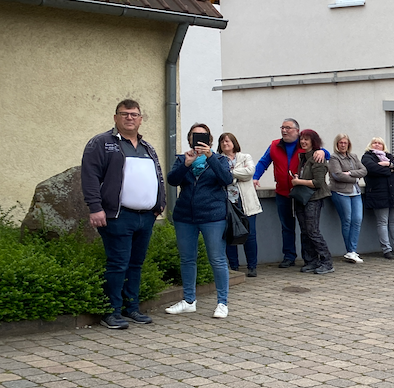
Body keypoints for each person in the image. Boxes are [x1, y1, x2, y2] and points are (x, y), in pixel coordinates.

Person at [81, 99, 166, 329]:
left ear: (140, 119)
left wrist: (160, 203)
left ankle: (132, 308)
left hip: (145, 217)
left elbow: (157, 176)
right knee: (118, 264)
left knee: (136, 264)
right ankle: (112, 312)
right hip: (117, 216)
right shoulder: (101, 143)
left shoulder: (147, 147)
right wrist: (95, 208)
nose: (130, 117)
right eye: (124, 113)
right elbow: (89, 177)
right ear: (115, 118)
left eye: (134, 114)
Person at [165, 123, 233, 317]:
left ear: (210, 140)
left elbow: (226, 179)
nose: (199, 140)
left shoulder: (219, 158)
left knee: (217, 259)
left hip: (213, 216)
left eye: (203, 137)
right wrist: (186, 164)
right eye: (195, 137)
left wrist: (210, 157)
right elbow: (172, 180)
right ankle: (188, 300)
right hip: (185, 216)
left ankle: (222, 303)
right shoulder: (182, 159)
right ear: (189, 140)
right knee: (187, 259)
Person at [252, 118, 327, 268]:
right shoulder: (274, 145)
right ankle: (289, 256)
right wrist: (255, 177)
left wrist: (322, 151)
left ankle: (311, 260)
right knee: (286, 226)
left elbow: (324, 155)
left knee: (307, 228)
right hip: (282, 192)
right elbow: (263, 162)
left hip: (302, 193)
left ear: (297, 131)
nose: (284, 130)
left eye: (288, 128)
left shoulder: (304, 144)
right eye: (282, 127)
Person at [219, 133, 261, 277]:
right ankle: (234, 267)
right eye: (222, 142)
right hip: (228, 203)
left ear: (234, 142)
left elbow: (249, 172)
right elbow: (219, 177)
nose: (225, 144)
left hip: (246, 202)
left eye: (227, 141)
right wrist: (236, 175)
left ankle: (252, 266)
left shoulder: (245, 157)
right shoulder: (218, 159)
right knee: (230, 235)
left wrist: (230, 173)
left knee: (250, 235)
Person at [292, 129, 334, 274]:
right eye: (302, 139)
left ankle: (326, 262)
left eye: (307, 140)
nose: (303, 142)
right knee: (305, 231)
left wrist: (298, 181)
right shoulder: (303, 157)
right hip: (302, 198)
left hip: (314, 199)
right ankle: (311, 261)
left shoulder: (317, 157)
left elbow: (318, 183)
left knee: (313, 231)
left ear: (313, 142)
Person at [362, 137, 394, 260]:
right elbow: (372, 169)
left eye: (379, 143)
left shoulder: (388, 156)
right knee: (382, 222)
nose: (377, 145)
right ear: (370, 145)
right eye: (374, 143)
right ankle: (387, 250)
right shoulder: (367, 157)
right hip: (378, 194)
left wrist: (388, 164)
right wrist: (390, 170)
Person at [328, 134, 367, 264]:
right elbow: (338, 175)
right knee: (347, 220)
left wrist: (350, 173)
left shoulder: (353, 156)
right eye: (340, 143)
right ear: (337, 144)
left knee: (357, 220)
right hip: (340, 192)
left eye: (345, 142)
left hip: (355, 192)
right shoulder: (334, 158)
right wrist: (356, 177)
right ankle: (350, 250)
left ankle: (353, 251)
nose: (343, 145)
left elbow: (364, 170)